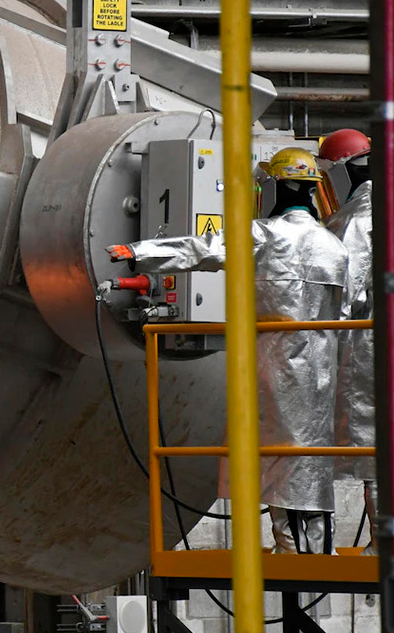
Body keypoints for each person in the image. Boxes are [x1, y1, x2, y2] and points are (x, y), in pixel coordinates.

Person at [107, 147, 348, 554]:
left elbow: (204, 249)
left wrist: (138, 253)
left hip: (273, 364)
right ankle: (315, 549)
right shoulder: (335, 247)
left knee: (274, 454)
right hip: (322, 372)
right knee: (308, 458)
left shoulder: (266, 236)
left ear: (276, 186)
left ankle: (291, 550)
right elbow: (349, 311)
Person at [320, 128, 376, 554]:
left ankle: (382, 544)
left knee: (373, 456)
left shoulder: (357, 219)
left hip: (363, 349)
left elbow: (345, 292)